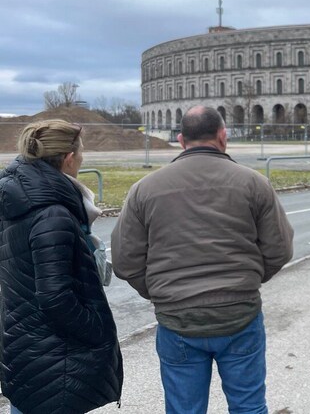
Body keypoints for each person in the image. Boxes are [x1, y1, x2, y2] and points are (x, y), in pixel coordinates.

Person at [111, 106, 294, 414]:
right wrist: (246, 280)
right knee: (249, 406)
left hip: (178, 318)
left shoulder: (144, 189)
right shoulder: (253, 183)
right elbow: (279, 249)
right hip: (239, 314)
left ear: (181, 140)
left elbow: (125, 261)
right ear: (223, 137)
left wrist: (160, 291)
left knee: (184, 410)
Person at [0, 120, 123, 414]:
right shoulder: (52, 213)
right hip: (54, 353)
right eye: (81, 153)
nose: (82, 160)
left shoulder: (18, 199)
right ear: (69, 159)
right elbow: (55, 297)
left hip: (23, 342)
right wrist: (97, 330)